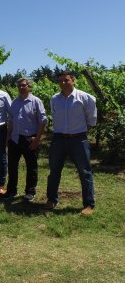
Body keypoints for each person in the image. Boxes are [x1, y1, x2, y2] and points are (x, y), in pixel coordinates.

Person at [46, 71, 97, 215]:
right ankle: (52, 199)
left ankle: (89, 204)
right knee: (54, 171)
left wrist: (79, 131)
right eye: (60, 81)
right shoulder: (54, 99)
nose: (63, 83)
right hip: (58, 138)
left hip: (78, 139)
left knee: (85, 172)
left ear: (73, 80)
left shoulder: (86, 98)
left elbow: (91, 120)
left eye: (66, 80)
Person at [3, 78, 47, 201]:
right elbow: (11, 120)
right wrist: (8, 136)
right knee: (12, 166)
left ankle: (30, 192)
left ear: (29, 87)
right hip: (15, 138)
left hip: (29, 139)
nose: (21, 88)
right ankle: (11, 190)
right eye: (19, 86)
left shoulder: (36, 101)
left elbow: (43, 121)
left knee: (31, 166)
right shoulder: (15, 102)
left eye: (23, 85)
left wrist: (37, 139)